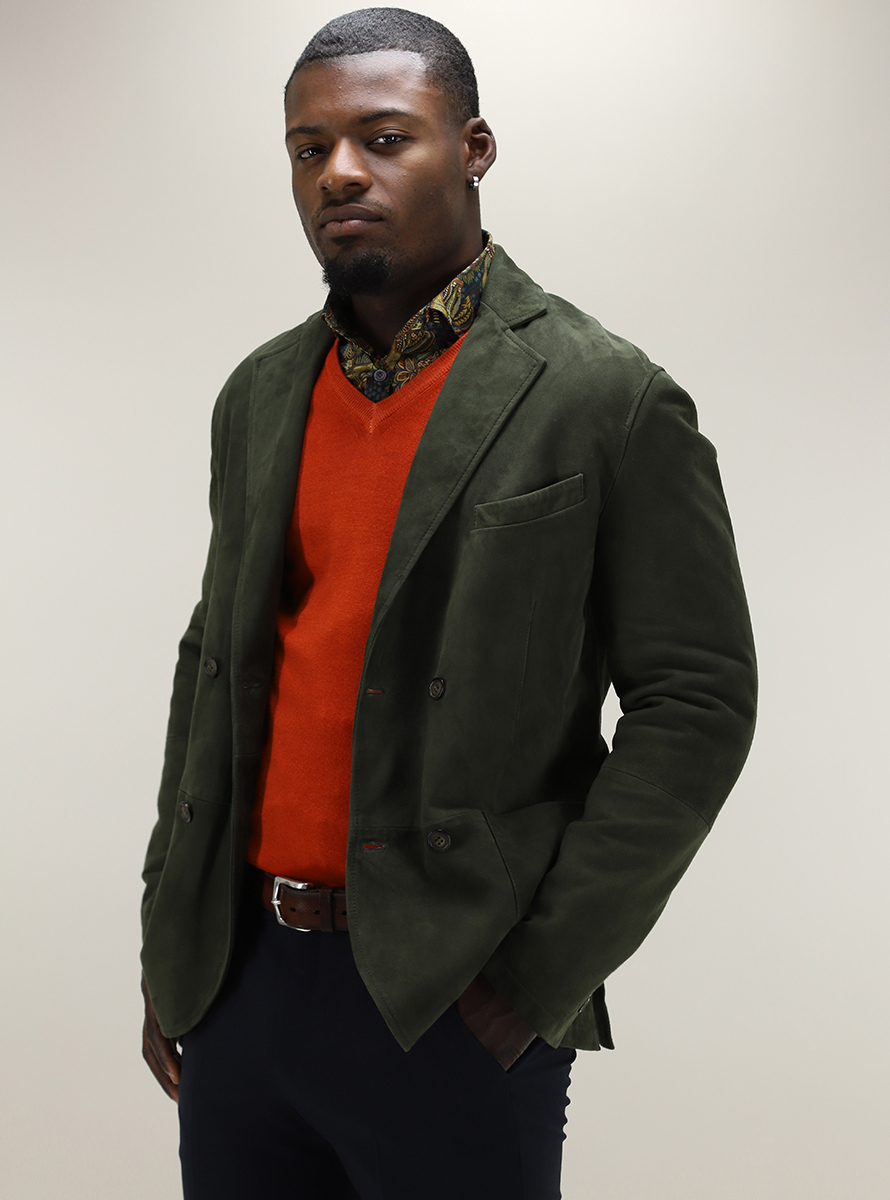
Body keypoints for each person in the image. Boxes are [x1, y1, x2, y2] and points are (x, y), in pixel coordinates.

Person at [140, 8, 757, 1199]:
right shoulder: (259, 393)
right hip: (240, 980)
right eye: (308, 148)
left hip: (450, 994)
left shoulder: (605, 398)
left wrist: (536, 977)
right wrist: (177, 948)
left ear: (473, 148)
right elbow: (210, 664)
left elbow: (695, 702)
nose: (339, 173)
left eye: (383, 138)